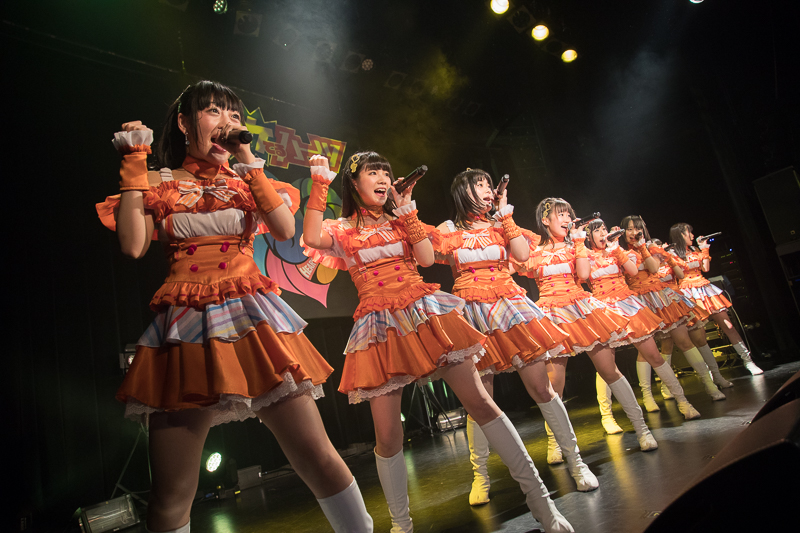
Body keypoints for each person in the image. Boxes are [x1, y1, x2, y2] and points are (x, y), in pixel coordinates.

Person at [96, 81, 372, 533]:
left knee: (317, 456)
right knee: (170, 495)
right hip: (187, 329)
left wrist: (247, 160)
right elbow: (132, 245)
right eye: (213, 112)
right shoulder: (160, 182)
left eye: (234, 115)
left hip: (251, 320)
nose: (226, 123)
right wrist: (132, 161)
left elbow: (284, 230)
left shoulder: (245, 179)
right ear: (184, 123)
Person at [302, 154, 574, 533]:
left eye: (386, 172)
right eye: (373, 172)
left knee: (480, 401)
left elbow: (427, 259)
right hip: (381, 326)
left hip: (426, 313)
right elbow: (312, 238)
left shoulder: (402, 219)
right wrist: (319, 184)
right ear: (354, 183)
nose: (383, 178)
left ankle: (543, 504)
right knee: (388, 436)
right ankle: (401, 526)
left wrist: (406, 210)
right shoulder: (344, 229)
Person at [433, 170, 597, 503]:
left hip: (509, 305)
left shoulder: (500, 223)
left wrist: (504, 211)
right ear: (463, 192)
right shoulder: (448, 230)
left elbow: (522, 255)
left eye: (488, 184)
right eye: (479, 184)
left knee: (541, 387)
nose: (487, 189)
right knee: (480, 399)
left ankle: (576, 462)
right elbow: (426, 256)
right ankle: (481, 476)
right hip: (472, 311)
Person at [514, 198, 659, 455]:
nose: (567, 218)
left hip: (581, 308)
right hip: (551, 312)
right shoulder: (534, 250)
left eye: (568, 214)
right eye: (561, 214)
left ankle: (642, 429)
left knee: (609, 370)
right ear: (545, 220)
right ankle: (556, 442)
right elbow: (514, 263)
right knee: (554, 384)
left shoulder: (576, 245)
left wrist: (580, 242)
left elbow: (582, 275)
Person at [583, 220, 700, 426]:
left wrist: (616, 249)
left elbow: (633, 271)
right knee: (606, 366)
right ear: (588, 235)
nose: (602, 233)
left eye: (604, 229)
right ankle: (607, 416)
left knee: (654, 354)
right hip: (603, 308)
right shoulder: (583, 255)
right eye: (597, 231)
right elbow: (582, 277)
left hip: (627, 302)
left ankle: (683, 402)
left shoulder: (616, 250)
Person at [615, 216, 727, 402]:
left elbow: (653, 269)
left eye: (637, 229)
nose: (634, 233)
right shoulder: (620, 252)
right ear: (623, 231)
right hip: (640, 300)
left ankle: (709, 384)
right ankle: (648, 396)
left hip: (661, 297)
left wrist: (643, 247)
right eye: (629, 229)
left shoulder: (651, 247)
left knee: (684, 341)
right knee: (645, 351)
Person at [668, 223, 763, 376]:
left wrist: (704, 248)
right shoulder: (672, 254)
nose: (692, 235)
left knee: (728, 325)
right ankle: (713, 373)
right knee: (700, 336)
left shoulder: (694, 249)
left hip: (704, 289)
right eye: (689, 232)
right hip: (688, 292)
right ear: (681, 235)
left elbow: (705, 269)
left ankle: (748, 361)